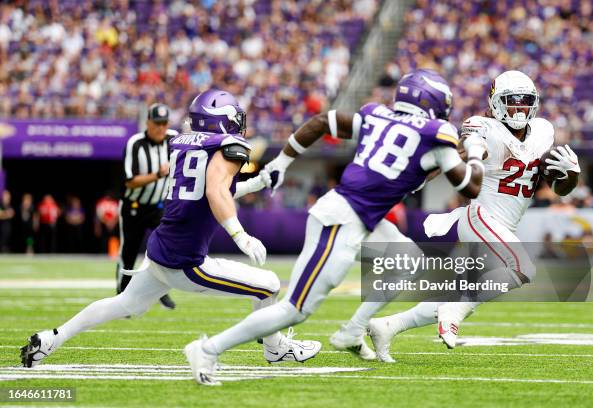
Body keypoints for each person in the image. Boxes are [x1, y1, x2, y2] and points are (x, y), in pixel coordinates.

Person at [195, 69, 487, 385]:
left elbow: (323, 122)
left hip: (355, 217)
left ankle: (353, 330)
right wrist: (474, 151)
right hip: (341, 219)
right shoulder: (437, 132)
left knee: (408, 261)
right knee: (295, 309)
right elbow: (471, 187)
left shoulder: (377, 116)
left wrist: (281, 162)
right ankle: (208, 349)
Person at [20, 89, 320, 385]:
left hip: (160, 250)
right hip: (186, 262)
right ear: (221, 120)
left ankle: (53, 338)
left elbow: (206, 191)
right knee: (267, 286)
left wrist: (255, 183)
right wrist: (239, 234)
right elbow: (215, 190)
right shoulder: (227, 145)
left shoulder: (182, 143)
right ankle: (275, 349)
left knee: (125, 303)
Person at [366, 70, 581, 362]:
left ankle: (388, 326)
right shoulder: (483, 126)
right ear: (495, 103)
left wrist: (571, 174)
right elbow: (466, 144)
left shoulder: (543, 131)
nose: (519, 109)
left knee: (473, 290)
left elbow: (560, 189)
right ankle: (454, 310)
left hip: (503, 226)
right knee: (522, 268)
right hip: (479, 216)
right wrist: (472, 150)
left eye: (524, 102)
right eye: (511, 102)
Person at [116, 103, 178, 310]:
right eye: (156, 123)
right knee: (129, 253)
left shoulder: (174, 139)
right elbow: (129, 181)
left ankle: (162, 292)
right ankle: (121, 296)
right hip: (133, 206)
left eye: (164, 123)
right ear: (148, 123)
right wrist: (158, 175)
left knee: (166, 249)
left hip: (157, 207)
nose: (160, 128)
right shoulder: (135, 143)